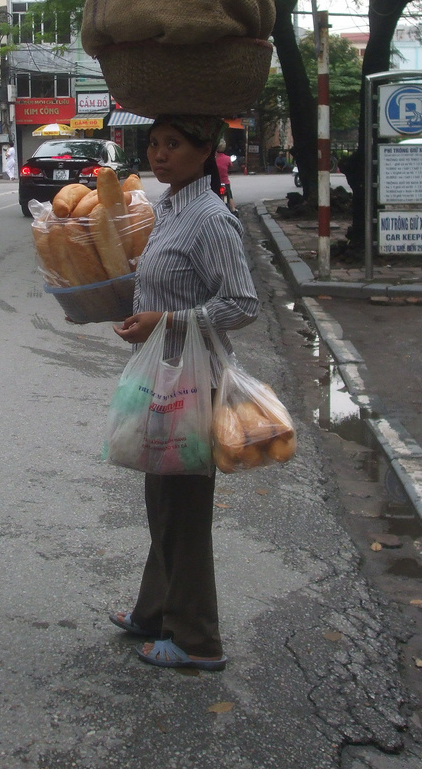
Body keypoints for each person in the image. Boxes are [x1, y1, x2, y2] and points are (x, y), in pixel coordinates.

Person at [110, 114, 259, 671]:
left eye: (173, 144)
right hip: (162, 377)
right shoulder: (169, 208)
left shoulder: (208, 219)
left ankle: (197, 640)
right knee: (164, 501)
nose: (159, 154)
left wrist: (166, 322)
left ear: (205, 151)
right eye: (153, 144)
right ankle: (154, 612)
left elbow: (241, 304)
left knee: (184, 511)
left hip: (192, 382)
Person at [215, 138, 236, 213]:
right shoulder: (227, 158)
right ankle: (233, 209)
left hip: (216, 182)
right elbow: (230, 166)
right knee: (229, 195)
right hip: (225, 182)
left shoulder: (214, 158)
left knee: (215, 196)